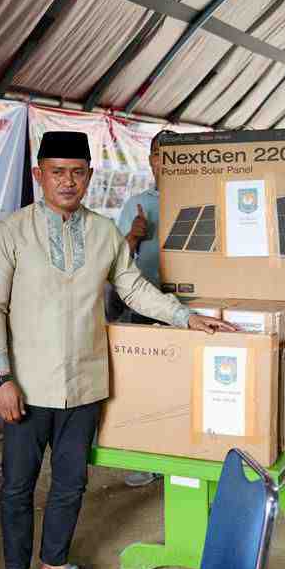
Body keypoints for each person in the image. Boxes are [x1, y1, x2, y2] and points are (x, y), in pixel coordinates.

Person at [0, 130, 235, 569]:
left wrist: (186, 318)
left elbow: (134, 289)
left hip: (85, 381)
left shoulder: (102, 233)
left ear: (90, 176)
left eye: (77, 172)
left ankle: (55, 565)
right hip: (25, 383)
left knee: (71, 482)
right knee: (17, 484)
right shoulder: (13, 231)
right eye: (57, 172)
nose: (67, 181)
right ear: (38, 175)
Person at [114, 131, 167, 488]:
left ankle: (182, 455)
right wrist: (133, 236)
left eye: (174, 155)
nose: (166, 162)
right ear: (150, 161)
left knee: (184, 385)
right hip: (145, 307)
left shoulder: (202, 195)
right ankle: (148, 459)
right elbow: (116, 261)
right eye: (160, 155)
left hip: (190, 308)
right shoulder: (136, 203)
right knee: (147, 386)